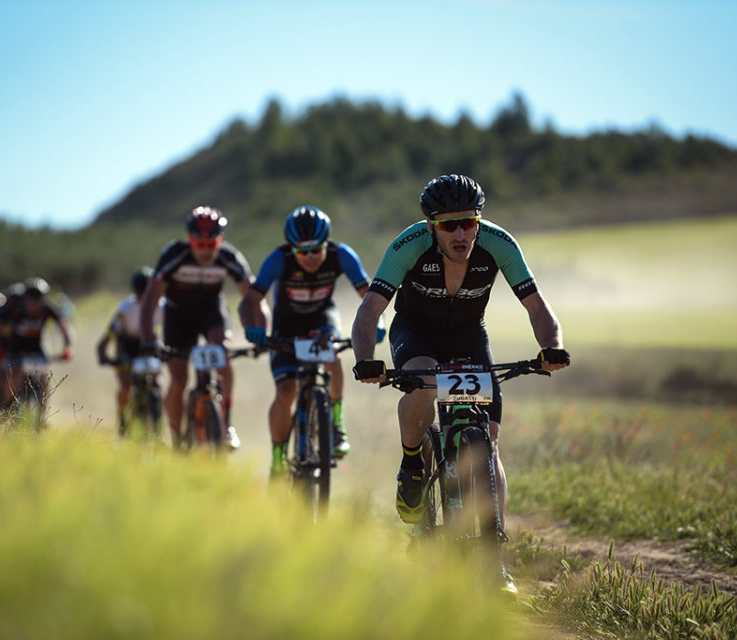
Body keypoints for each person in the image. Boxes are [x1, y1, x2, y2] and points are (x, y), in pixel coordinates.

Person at [350, 174, 570, 588]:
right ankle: (413, 461)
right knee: (426, 384)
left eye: (469, 222)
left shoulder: (498, 243)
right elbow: (369, 311)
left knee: (489, 440)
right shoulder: (408, 245)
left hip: (470, 337)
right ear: (431, 225)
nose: (461, 233)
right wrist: (366, 359)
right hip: (415, 333)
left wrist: (553, 347)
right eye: (449, 225)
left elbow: (538, 307)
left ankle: (495, 559)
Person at [238, 205, 383, 477]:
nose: (310, 257)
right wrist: (252, 329)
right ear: (291, 249)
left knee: (333, 357)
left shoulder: (342, 255)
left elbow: (370, 295)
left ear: (326, 244)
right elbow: (248, 303)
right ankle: (278, 458)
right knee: (285, 391)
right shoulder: (278, 259)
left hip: (321, 318)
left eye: (316, 250)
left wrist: (380, 323)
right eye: (302, 252)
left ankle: (336, 426)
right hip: (286, 325)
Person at [139, 206, 253, 449]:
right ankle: (176, 438)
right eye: (198, 244)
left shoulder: (229, 257)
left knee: (223, 355)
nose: (204, 250)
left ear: (220, 240)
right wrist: (148, 340)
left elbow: (252, 297)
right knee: (179, 378)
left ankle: (226, 424)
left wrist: (262, 330)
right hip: (177, 316)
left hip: (211, 312)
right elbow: (149, 302)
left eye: (211, 244)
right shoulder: (173, 255)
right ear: (189, 239)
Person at [97, 267, 165, 435]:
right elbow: (109, 335)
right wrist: (103, 353)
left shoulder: (162, 307)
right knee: (126, 387)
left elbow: (173, 330)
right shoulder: (126, 308)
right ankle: (122, 422)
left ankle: (156, 421)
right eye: (141, 294)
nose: (145, 299)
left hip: (148, 344)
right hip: (127, 345)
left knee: (158, 384)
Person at [0, 277, 73, 406]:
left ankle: (41, 416)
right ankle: (7, 408)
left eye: (38, 299)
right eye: (30, 299)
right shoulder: (16, 309)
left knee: (44, 380)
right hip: (16, 348)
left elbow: (64, 327)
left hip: (37, 348)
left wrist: (67, 348)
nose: (34, 303)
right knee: (13, 376)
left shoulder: (47, 308)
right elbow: (1, 325)